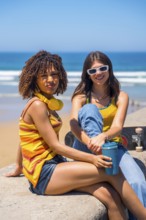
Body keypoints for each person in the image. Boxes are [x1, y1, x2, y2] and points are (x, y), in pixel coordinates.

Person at [5, 50, 146, 220]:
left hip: (56, 166)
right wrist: (93, 159)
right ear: (34, 78)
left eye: (54, 74)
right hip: (45, 174)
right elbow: (56, 146)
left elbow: (25, 138)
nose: (50, 79)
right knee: (113, 172)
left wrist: (19, 167)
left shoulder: (47, 103)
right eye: (44, 75)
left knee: (110, 196)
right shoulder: (37, 106)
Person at [70, 50, 146, 220]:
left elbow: (118, 127)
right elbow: (74, 125)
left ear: (109, 69)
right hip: (86, 146)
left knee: (137, 183)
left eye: (102, 68)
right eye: (92, 71)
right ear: (87, 74)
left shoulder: (120, 96)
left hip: (112, 146)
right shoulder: (81, 98)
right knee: (90, 109)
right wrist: (92, 142)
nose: (98, 73)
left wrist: (102, 137)